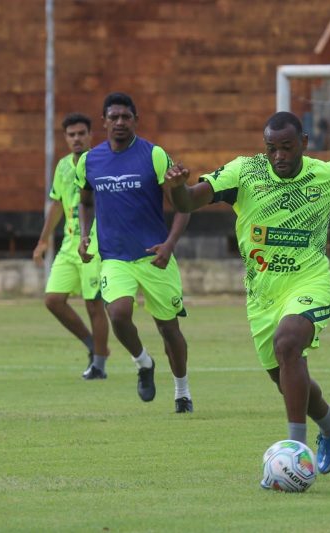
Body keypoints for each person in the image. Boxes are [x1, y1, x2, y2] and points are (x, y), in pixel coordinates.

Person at [164, 111, 330, 479]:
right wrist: (176, 186)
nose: (279, 156)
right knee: (285, 379)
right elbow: (188, 202)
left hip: (309, 283)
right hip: (262, 296)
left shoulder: (328, 175)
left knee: (288, 344)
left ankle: (295, 454)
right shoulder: (245, 172)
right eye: (272, 149)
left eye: (287, 147)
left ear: (303, 143)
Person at [76, 92, 194, 413]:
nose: (119, 122)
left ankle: (182, 391)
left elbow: (183, 206)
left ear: (135, 120)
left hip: (156, 256)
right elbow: (85, 202)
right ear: (103, 122)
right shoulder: (90, 161)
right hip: (115, 257)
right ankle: (143, 363)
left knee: (169, 329)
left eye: (126, 117)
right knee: (117, 313)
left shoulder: (154, 156)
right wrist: (85, 235)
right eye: (113, 117)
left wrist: (169, 245)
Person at [33, 113, 110, 379]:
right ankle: (93, 345)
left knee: (94, 304)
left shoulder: (102, 162)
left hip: (95, 244)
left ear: (90, 135)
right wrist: (43, 239)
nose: (76, 138)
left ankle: (99, 365)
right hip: (69, 244)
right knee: (53, 300)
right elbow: (56, 203)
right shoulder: (63, 166)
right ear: (66, 138)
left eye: (81, 133)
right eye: (71, 134)